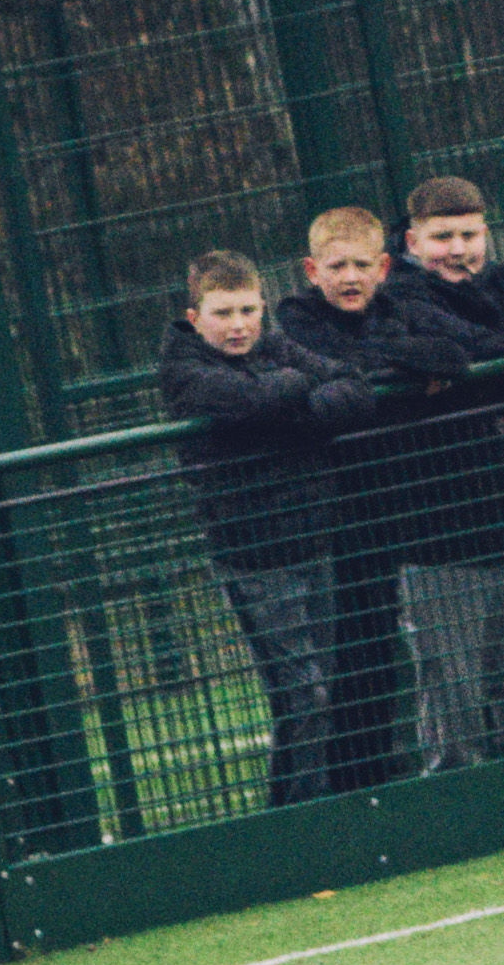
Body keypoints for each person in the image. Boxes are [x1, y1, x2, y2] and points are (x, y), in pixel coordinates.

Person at [274, 207, 491, 785]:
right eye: (336, 266)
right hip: (334, 516)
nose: (349, 278)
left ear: (384, 267)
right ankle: (348, 784)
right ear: (311, 270)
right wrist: (398, 369)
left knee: (397, 649)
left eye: (361, 265)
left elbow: (455, 356)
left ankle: (391, 771)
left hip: (403, 506)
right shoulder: (294, 319)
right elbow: (327, 369)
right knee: (348, 651)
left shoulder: (400, 307)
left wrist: (383, 366)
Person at [157, 250, 377, 806]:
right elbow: (249, 400)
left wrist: (296, 404)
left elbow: (353, 387)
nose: (238, 326)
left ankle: (321, 804)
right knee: (302, 693)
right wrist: (300, 390)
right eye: (223, 313)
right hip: (253, 555)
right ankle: (295, 816)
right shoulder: (184, 369)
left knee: (325, 685)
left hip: (314, 538)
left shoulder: (275, 345)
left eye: (248, 311)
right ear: (194, 316)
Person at [381, 176, 504, 770]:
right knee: (454, 699)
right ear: (414, 242)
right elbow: (468, 347)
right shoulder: (398, 299)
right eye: (442, 237)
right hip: (439, 536)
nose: (459, 248)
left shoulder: (501, 284)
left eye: (470, 234)